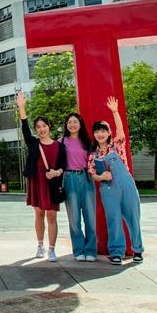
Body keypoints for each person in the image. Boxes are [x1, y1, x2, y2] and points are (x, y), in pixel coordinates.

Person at [88, 96, 145, 265]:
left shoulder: (117, 146)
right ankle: (117, 252)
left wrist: (115, 111)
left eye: (103, 131)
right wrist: (101, 177)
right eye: (97, 131)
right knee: (113, 219)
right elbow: (92, 174)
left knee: (133, 217)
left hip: (126, 184)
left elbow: (121, 132)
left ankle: (138, 250)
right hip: (107, 188)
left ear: (108, 133)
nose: (100, 134)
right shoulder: (93, 154)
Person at [16, 92, 66, 262]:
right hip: (37, 182)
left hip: (51, 184)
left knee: (52, 216)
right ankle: (40, 245)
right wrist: (22, 108)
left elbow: (63, 166)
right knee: (39, 215)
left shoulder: (59, 146)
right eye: (38, 127)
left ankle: (51, 249)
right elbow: (24, 130)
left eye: (44, 126)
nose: (41, 129)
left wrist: (56, 172)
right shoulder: (34, 143)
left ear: (49, 127)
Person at [61, 112, 97, 262]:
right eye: (69, 122)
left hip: (86, 178)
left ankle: (90, 250)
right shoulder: (62, 142)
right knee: (74, 217)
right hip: (69, 178)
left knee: (90, 216)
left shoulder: (88, 142)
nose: (72, 125)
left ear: (80, 124)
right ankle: (78, 250)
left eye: (75, 122)